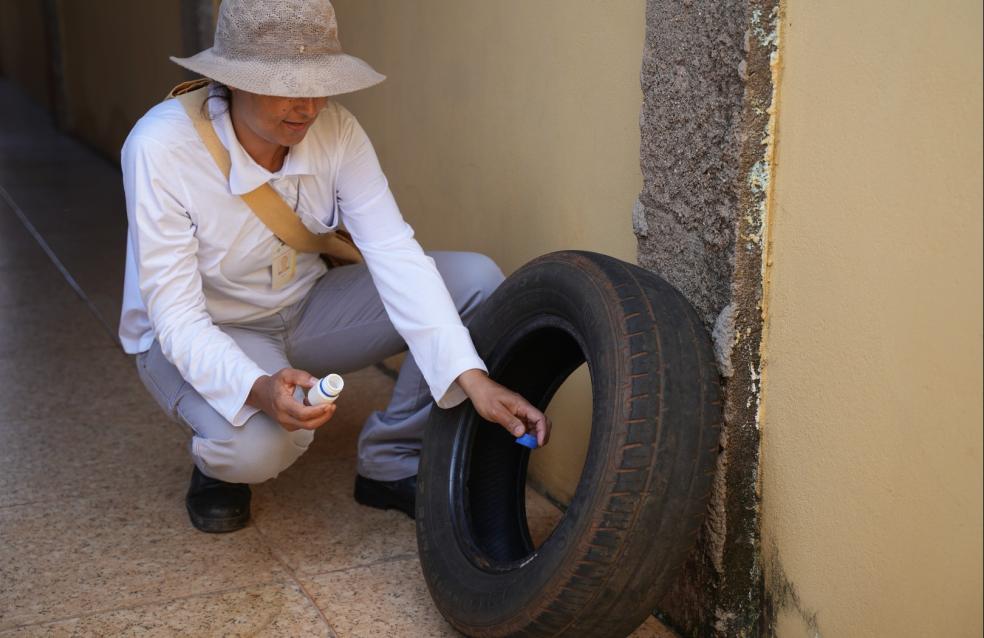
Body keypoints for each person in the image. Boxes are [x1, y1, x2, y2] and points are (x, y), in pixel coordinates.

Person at [119, 0, 551, 533]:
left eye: (320, 83)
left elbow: (394, 253)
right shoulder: (161, 147)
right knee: (259, 449)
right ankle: (217, 460)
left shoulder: (338, 131)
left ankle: (390, 459)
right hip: (206, 329)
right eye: (286, 86)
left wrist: (473, 377)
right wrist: (258, 388)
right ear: (232, 80)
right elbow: (178, 319)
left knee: (474, 280)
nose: (308, 106)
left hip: (304, 310)